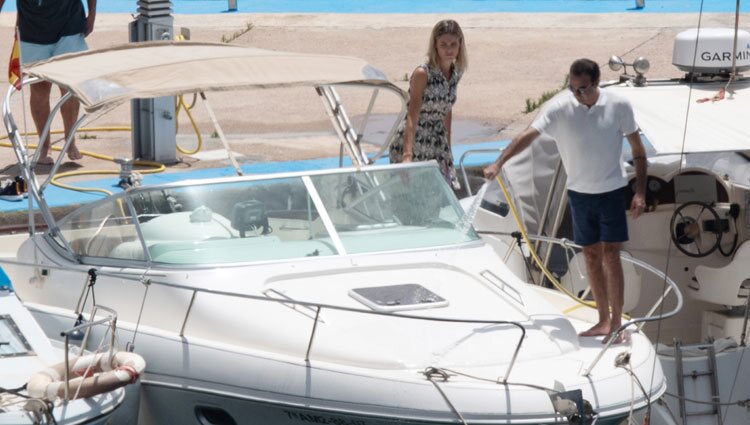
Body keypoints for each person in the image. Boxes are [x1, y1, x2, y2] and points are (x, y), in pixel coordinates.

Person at [484, 58, 647, 343]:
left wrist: (641, 192)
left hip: (610, 192)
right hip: (579, 194)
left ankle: (617, 323)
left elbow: (638, 151)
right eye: (572, 88)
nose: (576, 94)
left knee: (612, 254)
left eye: (582, 89)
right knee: (591, 255)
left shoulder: (619, 106)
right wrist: (499, 163)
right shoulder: (560, 107)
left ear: (596, 84)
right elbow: (529, 135)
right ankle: (602, 320)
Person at [1, 0, 96, 164]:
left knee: (69, 87)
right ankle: (45, 146)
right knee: (39, 91)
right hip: (32, 28)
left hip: (69, 25)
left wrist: (92, 14)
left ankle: (70, 140)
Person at [389, 19, 467, 187]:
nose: (449, 49)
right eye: (443, 44)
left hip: (438, 142)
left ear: (460, 44)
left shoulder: (456, 72)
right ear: (435, 45)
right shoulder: (423, 73)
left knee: (440, 194)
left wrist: (449, 146)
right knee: (410, 196)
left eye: (453, 44)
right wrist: (407, 156)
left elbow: (446, 109)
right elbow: (412, 114)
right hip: (415, 140)